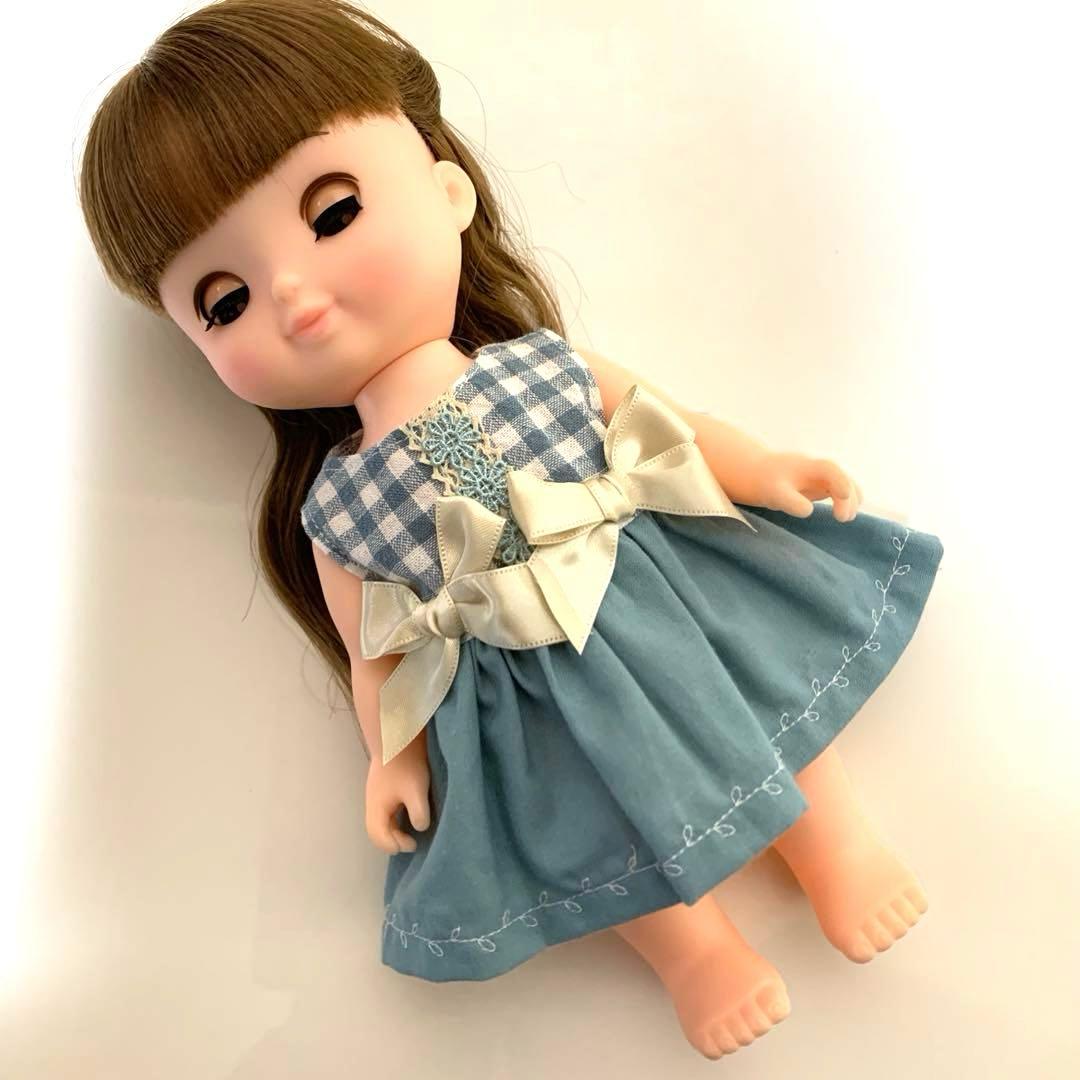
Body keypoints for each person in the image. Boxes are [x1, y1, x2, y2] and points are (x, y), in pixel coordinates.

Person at [77, 0, 944, 1060]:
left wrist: (761, 467)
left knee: (752, 697)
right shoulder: (338, 509)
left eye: (334, 212)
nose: (294, 296)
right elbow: (375, 648)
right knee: (592, 816)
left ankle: (837, 848)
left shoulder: (539, 364)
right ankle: (694, 952)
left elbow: (662, 426)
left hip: (645, 586)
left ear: (447, 190)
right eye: (225, 300)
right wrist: (391, 758)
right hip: (518, 691)